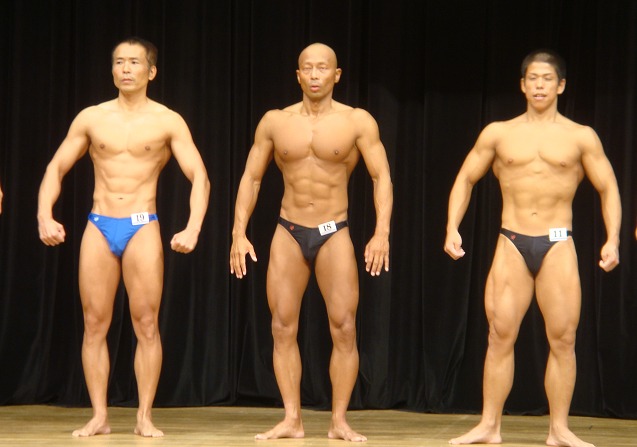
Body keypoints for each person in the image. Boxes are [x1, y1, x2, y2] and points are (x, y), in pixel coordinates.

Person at [444, 50, 620, 447]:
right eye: (533, 78)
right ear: (523, 85)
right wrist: (452, 227)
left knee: (563, 339)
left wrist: (614, 238)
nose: (540, 85)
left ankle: (559, 429)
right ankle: (489, 426)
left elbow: (608, 186)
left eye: (548, 78)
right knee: (499, 335)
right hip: (512, 241)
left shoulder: (581, 136)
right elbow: (466, 177)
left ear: (561, 85)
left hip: (558, 243)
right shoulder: (498, 133)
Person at [38, 37, 210, 438]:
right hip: (99, 224)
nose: (126, 69)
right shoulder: (91, 118)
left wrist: (193, 226)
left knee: (146, 323)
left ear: (151, 71)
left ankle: (144, 416)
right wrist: (44, 215)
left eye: (134, 62)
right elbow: (56, 167)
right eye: (119, 62)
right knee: (94, 323)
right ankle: (99, 415)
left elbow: (199, 176)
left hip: (141, 224)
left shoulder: (168, 121)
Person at [230, 43, 392, 442]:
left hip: (333, 231)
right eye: (308, 68)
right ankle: (292, 419)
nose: (315, 74)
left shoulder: (357, 121)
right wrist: (238, 232)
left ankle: (339, 421)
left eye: (323, 68)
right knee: (282, 326)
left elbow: (381, 177)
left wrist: (382, 232)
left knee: (345, 327)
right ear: (298, 75)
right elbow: (252, 177)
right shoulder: (275, 121)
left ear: (337, 75)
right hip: (288, 230)